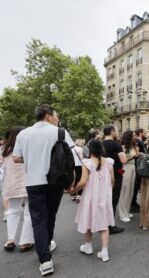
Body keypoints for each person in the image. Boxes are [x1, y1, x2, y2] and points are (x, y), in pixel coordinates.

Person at [13, 104, 76, 276]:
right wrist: (71, 182)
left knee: (38, 218)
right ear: (48, 116)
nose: (57, 119)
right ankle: (46, 244)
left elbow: (16, 157)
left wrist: (32, 156)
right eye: (56, 115)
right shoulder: (59, 132)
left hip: (33, 182)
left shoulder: (23, 134)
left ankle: (45, 260)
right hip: (55, 181)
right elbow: (72, 158)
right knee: (50, 215)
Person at [72, 139, 115, 262]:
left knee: (88, 220)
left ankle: (88, 246)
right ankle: (105, 252)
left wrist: (73, 190)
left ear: (90, 150)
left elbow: (83, 182)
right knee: (104, 224)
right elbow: (112, 181)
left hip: (90, 197)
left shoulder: (88, 163)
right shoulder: (109, 162)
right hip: (104, 197)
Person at [1, 127, 35, 252]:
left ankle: (10, 240)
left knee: (12, 211)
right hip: (28, 183)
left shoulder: (4, 149)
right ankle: (25, 241)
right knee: (28, 212)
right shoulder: (26, 148)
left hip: (11, 184)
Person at [102, 124, 127, 235]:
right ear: (112, 131)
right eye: (116, 131)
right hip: (115, 176)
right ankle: (110, 226)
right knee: (113, 200)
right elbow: (123, 160)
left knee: (104, 200)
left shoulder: (100, 144)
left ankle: (103, 223)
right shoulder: (116, 145)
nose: (117, 133)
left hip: (102, 176)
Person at [118, 130, 139, 223]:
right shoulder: (122, 147)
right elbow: (122, 160)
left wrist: (138, 154)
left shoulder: (133, 146)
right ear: (129, 137)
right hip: (125, 168)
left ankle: (126, 211)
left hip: (132, 168)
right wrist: (133, 157)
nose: (135, 136)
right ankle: (122, 214)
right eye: (133, 135)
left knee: (130, 190)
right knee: (124, 191)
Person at [131, 128, 147, 212]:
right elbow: (137, 152)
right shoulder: (137, 140)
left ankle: (134, 203)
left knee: (136, 186)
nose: (146, 134)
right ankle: (132, 203)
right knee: (135, 186)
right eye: (144, 133)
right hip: (137, 165)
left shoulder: (140, 141)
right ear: (141, 133)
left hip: (139, 165)